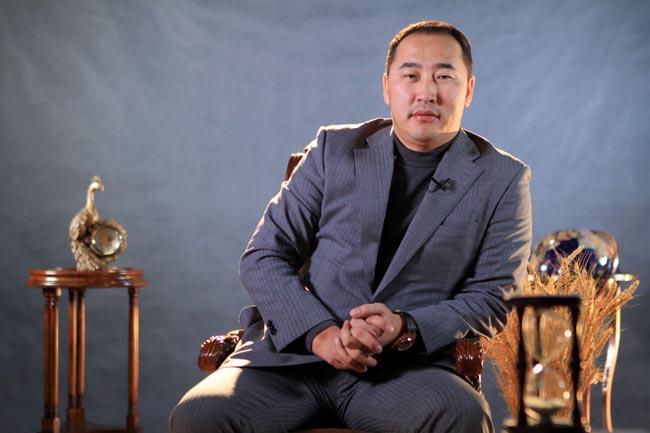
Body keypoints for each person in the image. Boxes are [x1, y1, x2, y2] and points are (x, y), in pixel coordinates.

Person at [170, 20, 532, 433]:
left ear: (468, 90)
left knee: (461, 414)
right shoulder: (333, 149)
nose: (426, 92)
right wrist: (320, 334)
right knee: (200, 415)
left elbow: (493, 298)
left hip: (407, 372)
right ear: (387, 86)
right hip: (295, 361)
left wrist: (404, 326)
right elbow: (264, 255)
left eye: (444, 76)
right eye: (411, 75)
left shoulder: (503, 178)